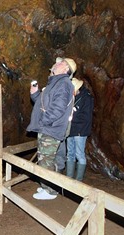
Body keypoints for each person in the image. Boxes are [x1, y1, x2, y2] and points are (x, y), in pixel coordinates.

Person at [27, 57, 76, 200]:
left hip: (51, 128)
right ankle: (46, 187)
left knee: (46, 161)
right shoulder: (55, 83)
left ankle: (51, 191)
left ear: (66, 68)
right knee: (46, 160)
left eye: (60, 62)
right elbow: (42, 103)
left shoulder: (64, 83)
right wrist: (35, 93)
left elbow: (58, 108)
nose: (56, 63)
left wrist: (43, 121)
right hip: (49, 127)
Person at [66, 78, 94, 181]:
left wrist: (73, 117)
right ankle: (69, 178)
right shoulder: (71, 98)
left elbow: (86, 117)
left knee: (79, 154)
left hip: (80, 131)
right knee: (70, 153)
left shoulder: (86, 98)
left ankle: (78, 180)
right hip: (70, 130)